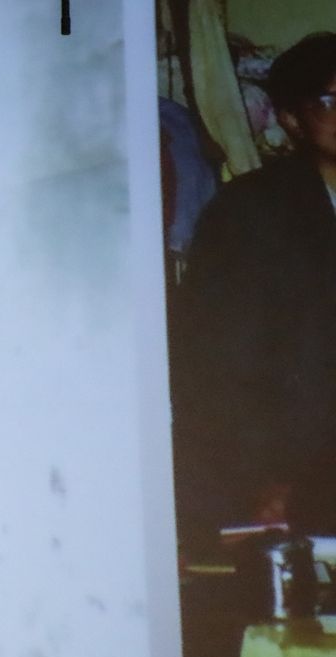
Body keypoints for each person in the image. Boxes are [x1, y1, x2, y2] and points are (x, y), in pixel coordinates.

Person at [172, 31, 336, 544]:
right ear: (291, 119)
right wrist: (261, 477)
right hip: (295, 476)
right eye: (333, 101)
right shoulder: (251, 211)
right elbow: (218, 362)